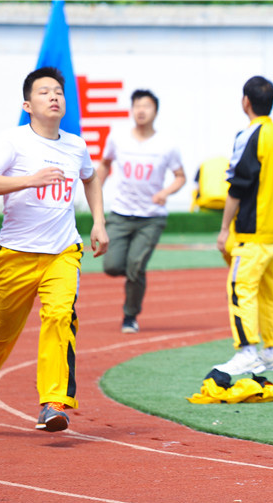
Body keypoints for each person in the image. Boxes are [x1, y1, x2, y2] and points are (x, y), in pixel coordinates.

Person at [0, 66, 109, 432]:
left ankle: (53, 403)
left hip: (62, 251)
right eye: (45, 91)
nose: (55, 96)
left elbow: (91, 180)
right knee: (3, 328)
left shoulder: (75, 145)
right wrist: (30, 180)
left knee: (61, 317)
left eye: (59, 91)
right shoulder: (12, 141)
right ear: (28, 104)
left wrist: (98, 221)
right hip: (15, 254)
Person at [214, 76, 273, 375]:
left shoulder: (250, 135)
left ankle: (247, 351)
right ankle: (272, 351)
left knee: (241, 288)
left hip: (252, 231)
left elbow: (238, 184)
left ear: (245, 101)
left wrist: (224, 228)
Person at [97, 89, 186, 333]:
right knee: (112, 266)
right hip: (121, 213)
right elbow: (104, 166)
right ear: (131, 109)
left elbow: (180, 177)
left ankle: (130, 316)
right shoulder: (118, 139)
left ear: (155, 111)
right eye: (137, 105)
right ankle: (135, 273)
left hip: (151, 218)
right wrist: (95, 196)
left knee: (136, 266)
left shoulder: (166, 145)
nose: (141, 110)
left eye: (146, 105)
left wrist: (165, 193)